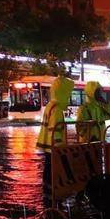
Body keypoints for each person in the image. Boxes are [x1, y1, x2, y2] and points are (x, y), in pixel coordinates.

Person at [36, 76, 74, 208]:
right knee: (54, 170)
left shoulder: (50, 105)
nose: (69, 97)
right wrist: (60, 148)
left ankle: (48, 194)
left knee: (48, 169)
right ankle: (54, 196)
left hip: (46, 145)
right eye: (68, 94)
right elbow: (55, 130)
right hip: (54, 148)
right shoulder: (57, 109)